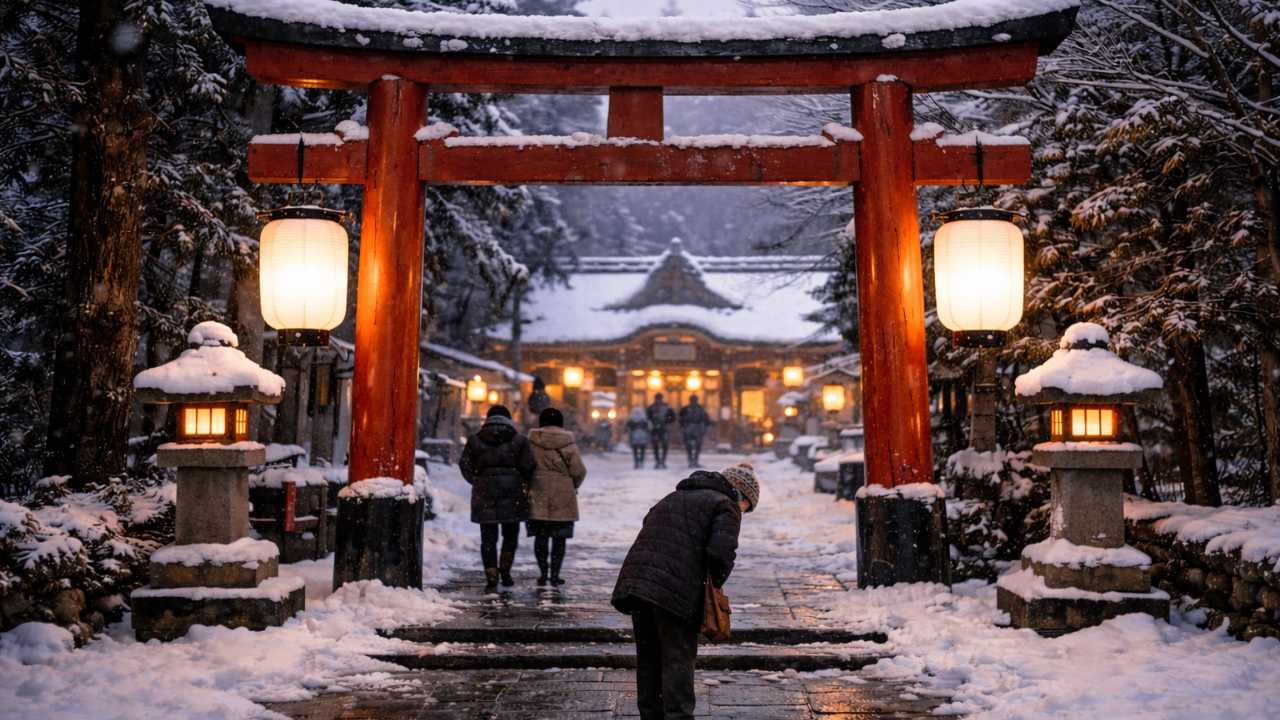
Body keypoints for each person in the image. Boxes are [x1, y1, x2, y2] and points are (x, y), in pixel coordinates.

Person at [612, 462, 759, 720]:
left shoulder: (675, 496)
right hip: (675, 590)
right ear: (740, 495)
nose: (743, 512)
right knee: (677, 657)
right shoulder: (725, 505)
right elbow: (720, 553)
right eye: (748, 506)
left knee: (649, 658)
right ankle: (678, 716)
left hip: (638, 584)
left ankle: (651, 714)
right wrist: (714, 584)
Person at [459, 405, 536, 592]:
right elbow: (529, 466)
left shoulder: (475, 440)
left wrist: (478, 481)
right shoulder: (520, 441)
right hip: (513, 492)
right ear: (509, 419)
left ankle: (491, 574)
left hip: (484, 492)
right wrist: (520, 480)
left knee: (488, 536)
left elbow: (465, 465)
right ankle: (506, 570)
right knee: (510, 535)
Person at [526, 407, 587, 586]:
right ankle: (555, 574)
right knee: (559, 538)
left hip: (538, 493)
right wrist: (571, 485)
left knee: (540, 536)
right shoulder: (569, 444)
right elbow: (579, 471)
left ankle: (543, 572)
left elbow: (525, 466)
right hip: (563, 495)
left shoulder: (531, 442)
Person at [678, 395, 712, 468]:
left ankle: (695, 461)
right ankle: (691, 461)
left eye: (694, 400)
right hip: (689, 428)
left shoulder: (700, 409)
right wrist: (683, 427)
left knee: (697, 446)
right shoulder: (685, 409)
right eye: (693, 400)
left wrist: (706, 426)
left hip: (698, 428)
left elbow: (706, 418)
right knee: (689, 446)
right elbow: (680, 419)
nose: (693, 401)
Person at [646, 393, 676, 469]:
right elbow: (647, 418)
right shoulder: (651, 408)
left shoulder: (667, 407)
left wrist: (667, 422)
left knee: (665, 445)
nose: (658, 400)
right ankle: (657, 461)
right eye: (657, 398)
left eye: (659, 398)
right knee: (655, 445)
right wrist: (651, 423)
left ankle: (662, 461)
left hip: (664, 429)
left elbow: (673, 417)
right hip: (654, 429)